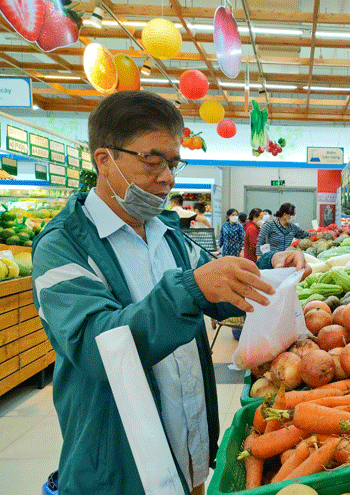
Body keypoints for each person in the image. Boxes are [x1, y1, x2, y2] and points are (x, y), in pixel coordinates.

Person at [31, 91, 310, 495]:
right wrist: (190, 289)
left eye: (173, 163)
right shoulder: (63, 246)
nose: (167, 177)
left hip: (190, 454)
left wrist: (273, 266)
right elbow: (96, 343)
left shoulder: (168, 234)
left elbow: (217, 283)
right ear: (104, 160)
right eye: (153, 161)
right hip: (120, 466)